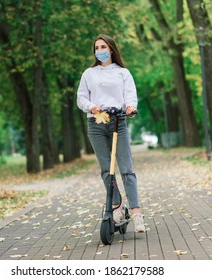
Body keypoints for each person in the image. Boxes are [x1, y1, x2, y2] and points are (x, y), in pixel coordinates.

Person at [76, 34, 145, 233]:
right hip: (96, 124)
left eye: (103, 47)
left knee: (126, 169)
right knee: (107, 170)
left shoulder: (122, 73)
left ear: (111, 49)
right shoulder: (89, 74)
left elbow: (130, 94)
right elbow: (81, 98)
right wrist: (92, 106)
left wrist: (130, 107)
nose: (99, 51)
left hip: (118, 122)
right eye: (96, 48)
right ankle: (116, 207)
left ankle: (136, 213)